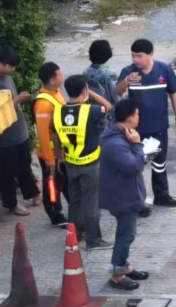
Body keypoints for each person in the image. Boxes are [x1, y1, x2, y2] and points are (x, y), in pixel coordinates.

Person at [116, 39, 176, 208]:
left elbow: (174, 94)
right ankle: (133, 199)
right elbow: (117, 92)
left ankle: (161, 195)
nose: (135, 60)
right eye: (133, 56)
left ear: (149, 55)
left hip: (158, 126)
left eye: (139, 56)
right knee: (136, 164)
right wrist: (127, 82)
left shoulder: (164, 69)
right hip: (136, 130)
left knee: (159, 161)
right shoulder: (128, 72)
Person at [101, 98, 150, 290]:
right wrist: (138, 146)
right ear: (129, 117)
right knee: (126, 235)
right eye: (137, 114)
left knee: (125, 233)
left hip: (123, 193)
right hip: (122, 197)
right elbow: (133, 165)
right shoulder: (116, 143)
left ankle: (125, 267)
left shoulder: (119, 134)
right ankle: (117, 275)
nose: (139, 117)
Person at [55, 75, 108, 249]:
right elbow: (108, 107)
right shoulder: (92, 110)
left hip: (70, 163)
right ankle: (93, 240)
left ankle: (75, 235)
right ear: (84, 90)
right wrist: (90, 93)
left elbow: (56, 138)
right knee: (91, 202)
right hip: (90, 164)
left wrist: (58, 158)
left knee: (75, 201)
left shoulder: (58, 112)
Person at [0, 45, 37, 217]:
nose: (13, 70)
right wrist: (16, 100)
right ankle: (12, 204)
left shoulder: (7, 77)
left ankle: (33, 193)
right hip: (5, 138)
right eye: (11, 66)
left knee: (25, 165)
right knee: (7, 172)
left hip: (19, 131)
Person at [33, 62, 67, 226]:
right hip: (50, 154)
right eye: (59, 74)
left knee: (62, 182)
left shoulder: (56, 93)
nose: (62, 77)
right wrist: (48, 158)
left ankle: (62, 209)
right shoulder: (43, 104)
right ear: (52, 79)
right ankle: (55, 215)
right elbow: (43, 133)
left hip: (60, 151)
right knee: (51, 186)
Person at [84, 40, 117, 106]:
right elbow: (115, 95)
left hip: (92, 107)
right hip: (107, 107)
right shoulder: (110, 74)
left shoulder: (86, 72)